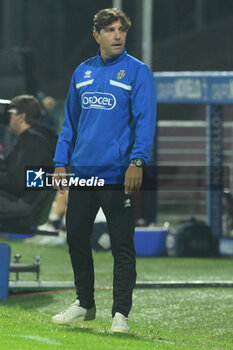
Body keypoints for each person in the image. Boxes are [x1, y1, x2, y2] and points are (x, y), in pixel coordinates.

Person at [52, 8, 156, 333]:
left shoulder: (138, 72)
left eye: (122, 30)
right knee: (76, 240)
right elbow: (69, 123)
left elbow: (145, 120)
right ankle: (85, 303)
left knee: (122, 246)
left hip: (118, 176)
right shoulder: (82, 72)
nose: (117, 35)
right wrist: (60, 161)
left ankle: (120, 315)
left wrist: (137, 161)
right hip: (83, 174)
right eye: (110, 30)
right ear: (96, 35)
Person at [0, 94, 57, 223]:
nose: (8, 117)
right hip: (29, 201)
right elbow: (13, 171)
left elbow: (16, 183)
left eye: (10, 113)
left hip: (23, 204)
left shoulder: (32, 142)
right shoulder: (41, 138)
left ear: (22, 117)